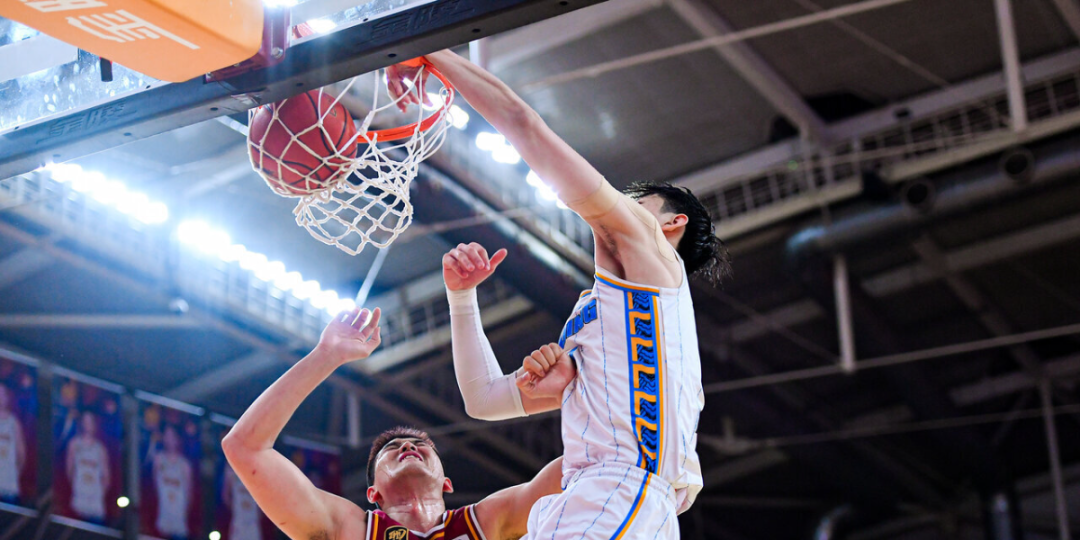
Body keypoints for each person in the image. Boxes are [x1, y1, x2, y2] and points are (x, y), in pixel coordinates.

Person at [390, 50, 732, 538]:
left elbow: (523, 123)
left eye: (636, 201)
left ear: (672, 222)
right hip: (598, 497)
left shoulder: (655, 258)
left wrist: (432, 53)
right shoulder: (610, 312)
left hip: (619, 493)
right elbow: (483, 398)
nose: (620, 203)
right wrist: (462, 299)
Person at [221, 307, 573, 540]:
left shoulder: (487, 521)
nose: (408, 446)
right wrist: (326, 355)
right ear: (373, 493)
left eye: (421, 446)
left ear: (447, 483)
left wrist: (571, 392)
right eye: (392, 449)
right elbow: (245, 447)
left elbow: (589, 459)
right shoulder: (349, 530)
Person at [67, 411, 109, 522]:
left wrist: (97, 494)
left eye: (90, 422)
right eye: (85, 421)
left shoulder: (100, 449)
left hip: (95, 505)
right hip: (79, 503)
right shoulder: (74, 444)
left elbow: (106, 477)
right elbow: (69, 470)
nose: (88, 425)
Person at [151, 425, 193, 538]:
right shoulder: (158, 459)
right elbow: (153, 485)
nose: (169, 439)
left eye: (172, 436)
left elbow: (189, 493)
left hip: (179, 520)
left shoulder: (184, 464)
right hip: (162, 518)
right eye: (167, 436)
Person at [222, 465, 262, 540]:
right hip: (238, 519)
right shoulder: (231, 469)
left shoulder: (257, 467)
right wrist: (235, 508)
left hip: (253, 519)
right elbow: (226, 496)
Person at [0, 386, 26, 501]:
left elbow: (21, 454)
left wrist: (13, 475)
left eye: (2, 394)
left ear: (7, 397)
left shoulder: (14, 423)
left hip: (8, 488)